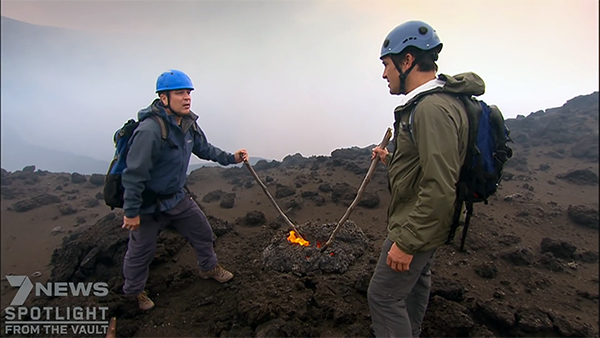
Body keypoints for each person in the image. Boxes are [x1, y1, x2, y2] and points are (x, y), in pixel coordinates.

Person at [367, 20, 485, 337]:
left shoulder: (431, 109)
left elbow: (439, 185)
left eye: (386, 64)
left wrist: (405, 242)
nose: (384, 74)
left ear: (408, 61)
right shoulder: (438, 102)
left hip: (416, 224)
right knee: (416, 284)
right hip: (428, 225)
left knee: (382, 297)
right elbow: (429, 165)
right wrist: (390, 158)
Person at [120, 69, 249, 311]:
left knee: (203, 232)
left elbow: (205, 149)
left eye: (188, 92)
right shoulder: (150, 130)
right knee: (140, 251)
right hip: (149, 205)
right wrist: (131, 211)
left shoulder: (188, 124)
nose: (187, 97)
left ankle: (208, 267)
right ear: (164, 98)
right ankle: (134, 292)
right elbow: (134, 174)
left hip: (177, 198)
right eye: (180, 93)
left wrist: (232, 157)